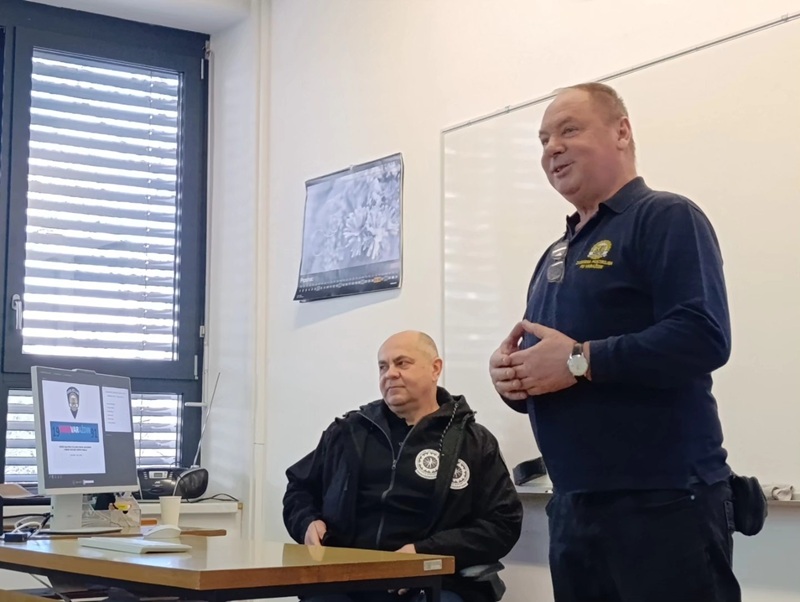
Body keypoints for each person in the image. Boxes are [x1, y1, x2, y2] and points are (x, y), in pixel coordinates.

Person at [489, 82, 741, 602]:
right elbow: (561, 371)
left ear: (621, 132)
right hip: (574, 507)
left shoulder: (666, 217)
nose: (552, 148)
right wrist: (516, 379)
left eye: (569, 130)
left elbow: (703, 335)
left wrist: (579, 361)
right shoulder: (554, 254)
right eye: (543, 140)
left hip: (664, 502)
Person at [284, 331, 523, 602]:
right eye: (383, 366)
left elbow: (503, 524)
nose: (390, 374)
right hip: (345, 581)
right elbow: (299, 489)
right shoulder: (347, 433)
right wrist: (307, 522)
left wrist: (423, 552)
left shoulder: (473, 442)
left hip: (432, 581)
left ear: (435, 369)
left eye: (402, 363)